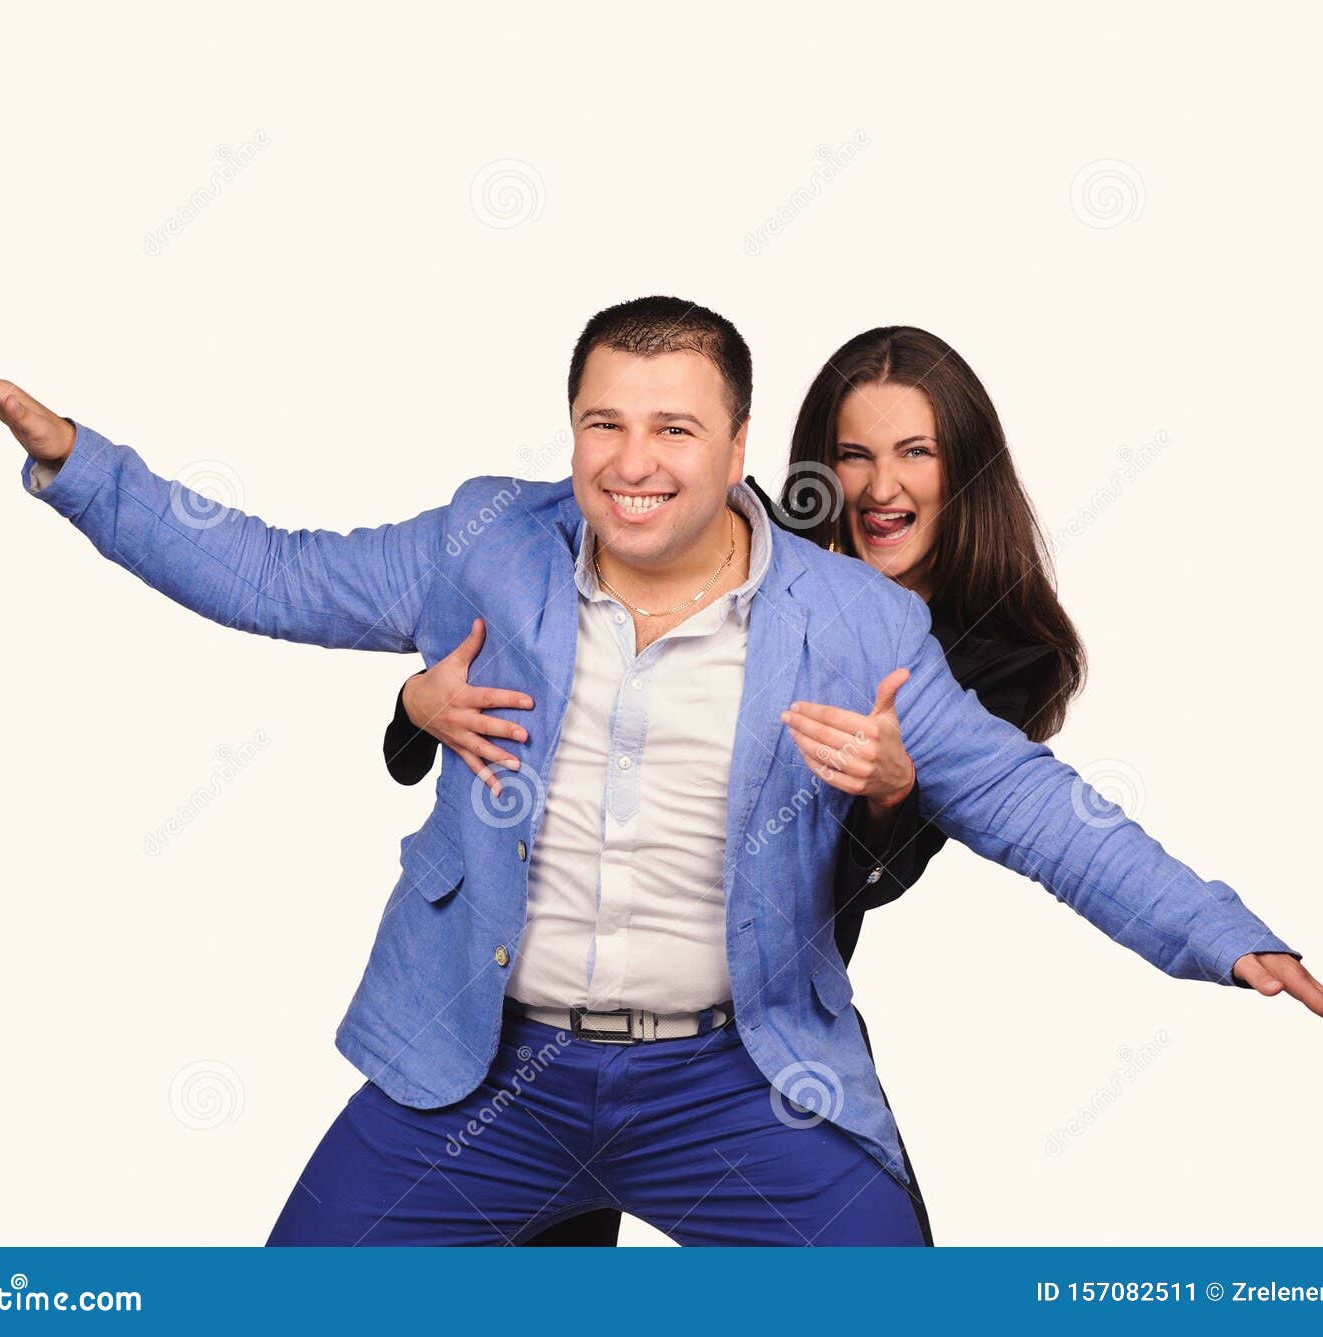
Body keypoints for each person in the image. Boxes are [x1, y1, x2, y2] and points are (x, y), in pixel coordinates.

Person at [0, 297, 1323, 1246]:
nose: (634, 460)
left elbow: (1033, 806)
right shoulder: (490, 542)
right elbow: (269, 572)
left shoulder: (855, 621)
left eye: (675, 426)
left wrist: (1227, 936)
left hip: (730, 1081)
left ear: (738, 443)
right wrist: (76, 464)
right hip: (491, 1073)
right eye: (604, 422)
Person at [374, 324, 1085, 1246]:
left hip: (751, 1032)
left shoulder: (997, 657)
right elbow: (526, 649)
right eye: (853, 455)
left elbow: (871, 878)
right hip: (551, 1017)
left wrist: (889, 788)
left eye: (916, 453)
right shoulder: (754, 546)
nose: (880, 487)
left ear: (966, 472)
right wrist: (413, 700)